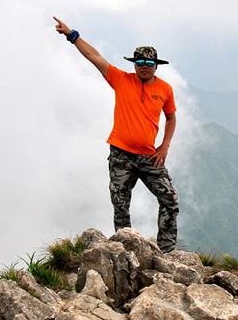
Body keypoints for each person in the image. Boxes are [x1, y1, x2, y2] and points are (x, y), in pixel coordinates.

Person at [53, 16, 180, 253]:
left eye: (149, 62)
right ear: (134, 63)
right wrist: (72, 36)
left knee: (170, 200)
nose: (144, 65)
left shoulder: (165, 89)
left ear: (156, 65)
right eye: (139, 61)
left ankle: (167, 251)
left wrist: (165, 146)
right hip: (121, 154)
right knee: (120, 205)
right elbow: (94, 57)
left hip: (150, 156)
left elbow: (171, 117)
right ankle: (126, 250)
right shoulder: (122, 80)